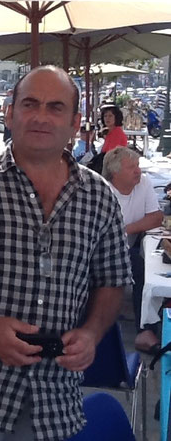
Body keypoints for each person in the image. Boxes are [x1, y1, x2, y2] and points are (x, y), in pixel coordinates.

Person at [0, 65, 132, 441]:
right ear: (10, 113)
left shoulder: (100, 198)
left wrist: (93, 334)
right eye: (30, 104)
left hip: (55, 401)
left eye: (55, 107)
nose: (41, 117)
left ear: (75, 121)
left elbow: (112, 280)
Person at [103, 146, 163, 354]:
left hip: (129, 242)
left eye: (138, 165)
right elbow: (104, 238)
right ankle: (144, 331)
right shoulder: (104, 192)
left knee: (153, 260)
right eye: (132, 167)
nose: (138, 171)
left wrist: (126, 229)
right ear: (116, 173)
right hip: (104, 251)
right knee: (139, 268)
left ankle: (155, 321)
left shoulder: (143, 183)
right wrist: (129, 231)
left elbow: (156, 217)